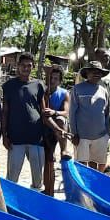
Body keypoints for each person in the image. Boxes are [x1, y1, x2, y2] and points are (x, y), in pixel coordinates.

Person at [1, 53, 46, 191]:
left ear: (32, 67)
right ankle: (9, 205)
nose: (26, 68)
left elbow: (43, 110)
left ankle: (35, 205)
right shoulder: (9, 86)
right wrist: (4, 135)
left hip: (36, 138)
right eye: (23, 65)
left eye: (29, 66)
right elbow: (5, 112)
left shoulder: (39, 85)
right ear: (18, 66)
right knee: (12, 178)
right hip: (16, 138)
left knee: (38, 180)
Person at [68, 61, 110, 171]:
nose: (96, 74)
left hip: (100, 135)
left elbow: (107, 113)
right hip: (82, 136)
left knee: (95, 163)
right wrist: (74, 133)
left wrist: (107, 132)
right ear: (87, 73)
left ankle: (92, 186)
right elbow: (72, 113)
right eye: (93, 71)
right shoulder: (77, 89)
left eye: (99, 72)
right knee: (81, 164)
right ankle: (82, 186)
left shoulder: (103, 91)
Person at [40, 64, 70, 195]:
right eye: (51, 78)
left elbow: (66, 112)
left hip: (58, 127)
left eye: (56, 78)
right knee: (48, 159)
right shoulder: (43, 92)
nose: (53, 81)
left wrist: (55, 112)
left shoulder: (64, 93)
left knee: (61, 120)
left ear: (60, 80)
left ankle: (64, 149)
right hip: (44, 128)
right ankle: (48, 190)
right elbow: (43, 113)